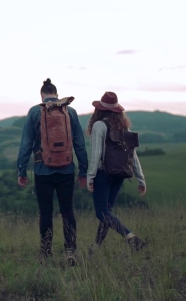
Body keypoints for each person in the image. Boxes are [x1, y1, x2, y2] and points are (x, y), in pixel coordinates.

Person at [17, 78, 88, 265]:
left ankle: (46, 252)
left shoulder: (34, 111)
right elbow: (79, 144)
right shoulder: (70, 112)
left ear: (42, 95)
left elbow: (26, 144)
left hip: (42, 170)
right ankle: (70, 251)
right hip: (66, 169)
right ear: (57, 94)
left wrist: (21, 170)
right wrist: (83, 171)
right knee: (67, 210)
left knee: (46, 212)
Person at [86, 91, 147, 252]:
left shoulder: (99, 126)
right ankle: (96, 247)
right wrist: (141, 179)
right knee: (107, 212)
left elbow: (96, 154)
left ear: (99, 109)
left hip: (103, 174)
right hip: (119, 174)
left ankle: (131, 237)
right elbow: (132, 155)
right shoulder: (123, 126)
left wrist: (90, 176)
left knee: (102, 212)